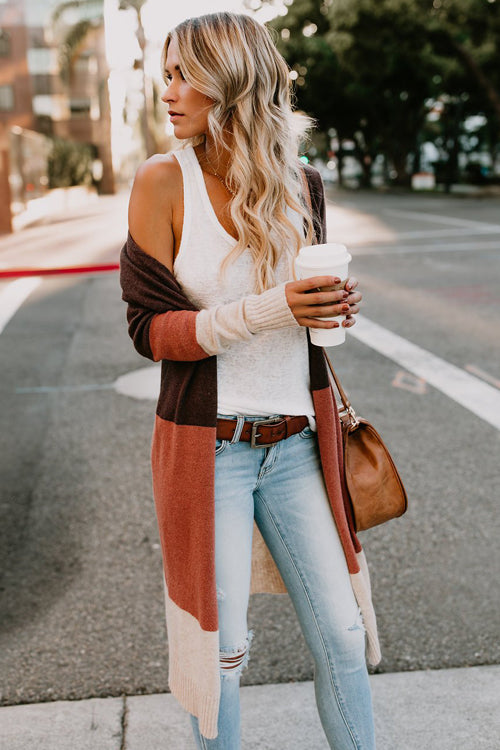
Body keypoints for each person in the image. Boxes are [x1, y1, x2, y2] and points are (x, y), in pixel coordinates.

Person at [120, 11, 380, 749]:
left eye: (184, 76)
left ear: (232, 82)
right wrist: (270, 308)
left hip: (298, 442)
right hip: (213, 452)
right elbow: (150, 331)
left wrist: (328, 310)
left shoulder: (302, 184)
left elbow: (301, 315)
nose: (167, 92)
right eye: (164, 74)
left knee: (341, 628)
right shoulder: (163, 182)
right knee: (222, 652)